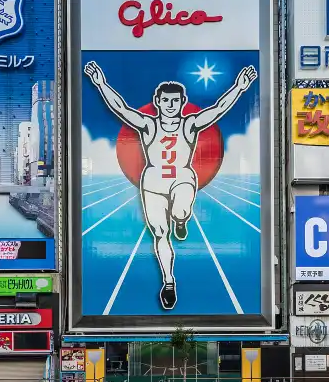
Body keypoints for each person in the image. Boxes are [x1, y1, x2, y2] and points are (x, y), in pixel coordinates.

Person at [83, 61, 257, 310]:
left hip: (182, 178)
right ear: (158, 102)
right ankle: (168, 281)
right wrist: (101, 83)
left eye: (176, 101)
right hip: (153, 183)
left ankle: (181, 219)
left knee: (180, 211)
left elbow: (218, 109)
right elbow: (121, 108)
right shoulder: (148, 125)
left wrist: (239, 88)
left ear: (182, 102)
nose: (171, 105)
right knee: (160, 234)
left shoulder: (189, 124)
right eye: (166, 100)